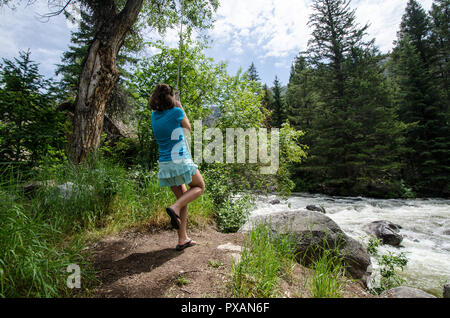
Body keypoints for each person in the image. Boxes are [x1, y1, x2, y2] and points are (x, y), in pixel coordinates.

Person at [149, 83, 205, 251]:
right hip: (180, 160)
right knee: (199, 186)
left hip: (165, 164)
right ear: (171, 97)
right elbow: (188, 128)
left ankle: (183, 239)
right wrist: (180, 107)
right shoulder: (176, 112)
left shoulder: (154, 116)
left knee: (183, 199)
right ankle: (174, 207)